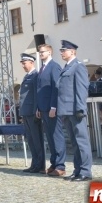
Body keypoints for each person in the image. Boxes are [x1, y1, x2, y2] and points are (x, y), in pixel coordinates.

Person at [56, 40, 92, 182]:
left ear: (72, 52)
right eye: (61, 51)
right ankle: (77, 170)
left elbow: (81, 89)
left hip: (75, 110)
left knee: (82, 142)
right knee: (74, 143)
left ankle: (85, 171)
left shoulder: (78, 66)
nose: (61, 53)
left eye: (64, 50)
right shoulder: (67, 67)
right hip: (66, 111)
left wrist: (80, 108)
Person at [35, 43, 65, 176]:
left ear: (49, 52)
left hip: (51, 108)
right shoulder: (42, 68)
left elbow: (56, 88)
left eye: (43, 52)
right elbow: (40, 90)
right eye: (40, 52)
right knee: (50, 137)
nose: (41, 54)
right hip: (43, 108)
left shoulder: (54, 67)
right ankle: (54, 163)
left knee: (56, 136)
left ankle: (60, 165)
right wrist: (38, 107)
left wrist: (54, 106)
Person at [19, 52, 45, 174]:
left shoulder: (35, 75)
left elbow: (36, 95)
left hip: (32, 112)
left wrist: (36, 110)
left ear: (31, 62)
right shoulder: (27, 76)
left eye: (24, 63)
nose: (23, 65)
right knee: (30, 139)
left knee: (36, 140)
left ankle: (40, 165)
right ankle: (34, 163)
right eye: (22, 63)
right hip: (26, 112)